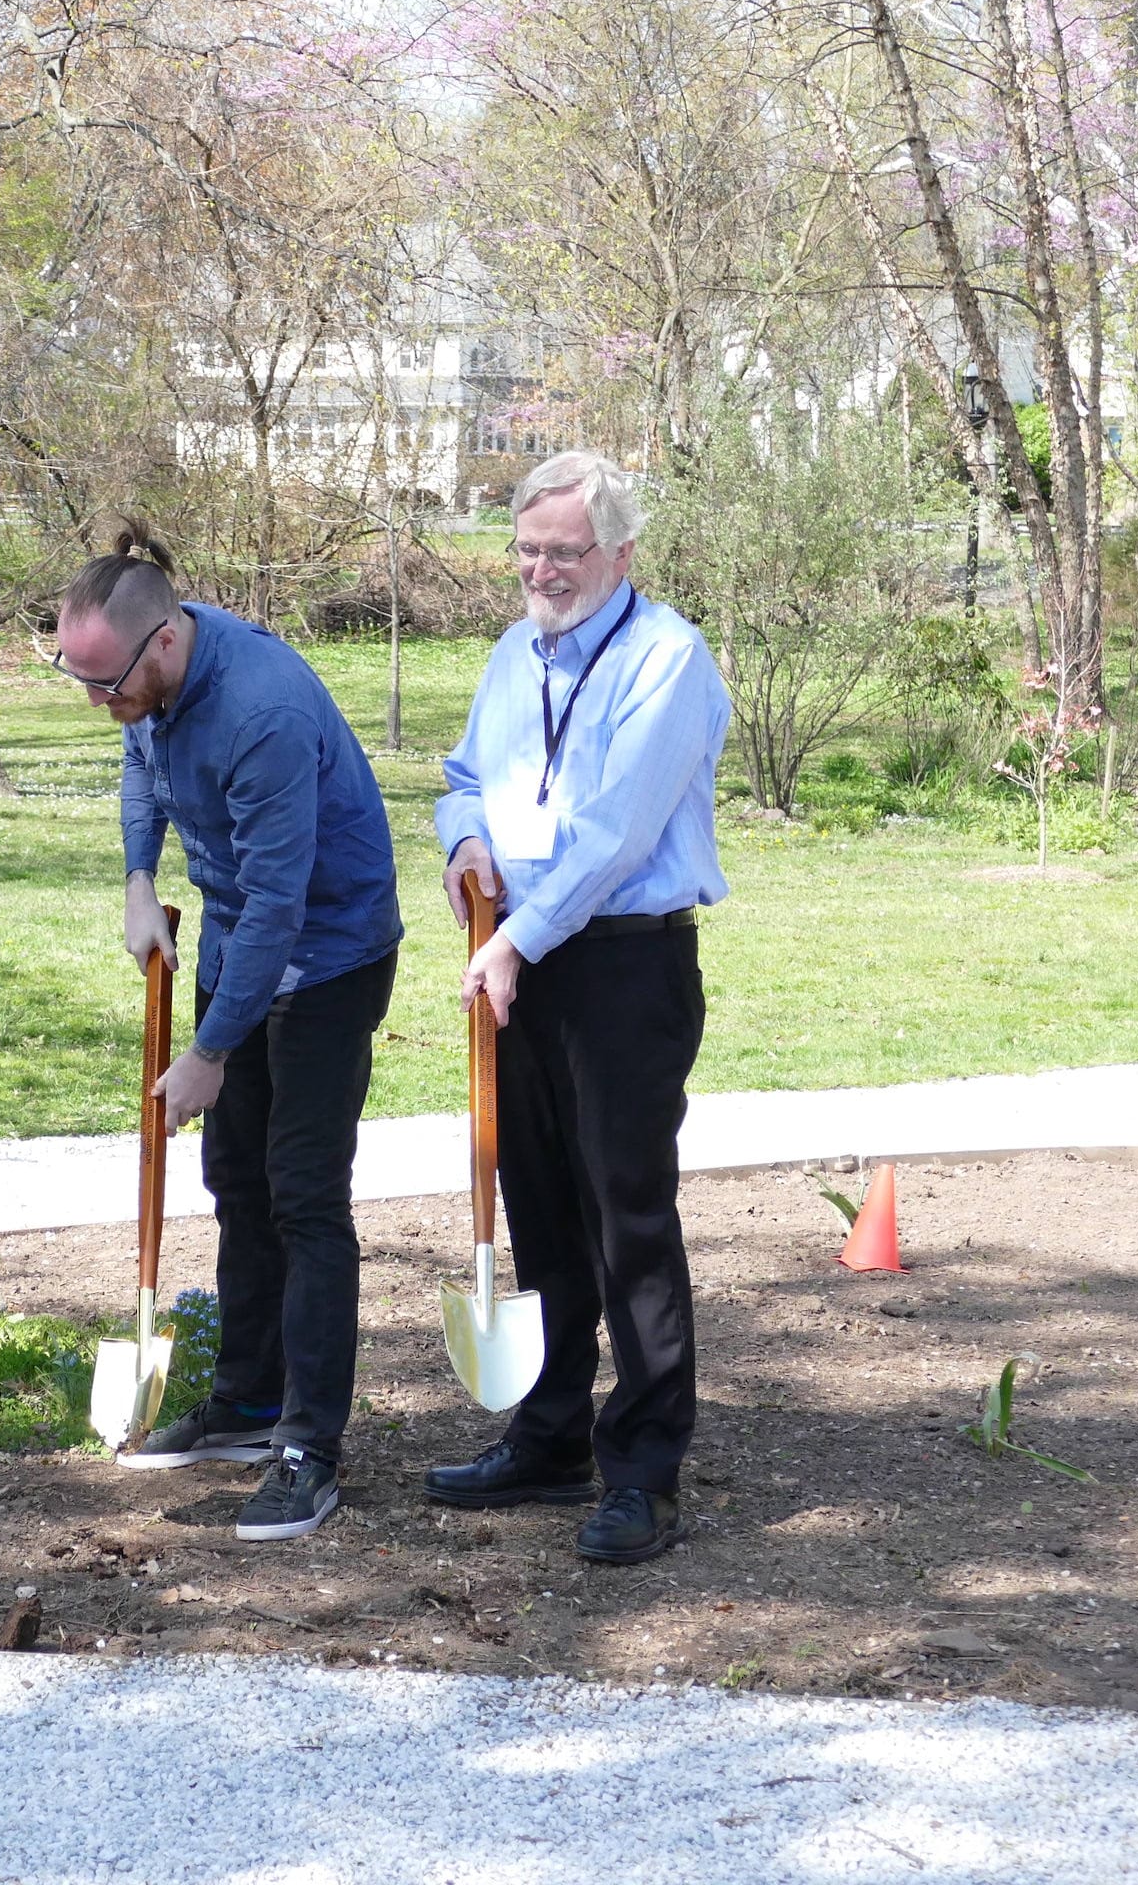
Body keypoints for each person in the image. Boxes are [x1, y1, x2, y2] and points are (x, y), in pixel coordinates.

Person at [49, 522, 401, 1543]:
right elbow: (138, 758)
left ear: (162, 643)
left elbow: (280, 908)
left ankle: (309, 1446)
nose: (99, 705)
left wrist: (207, 1053)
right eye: (80, 683)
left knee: (302, 1193)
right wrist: (139, 877)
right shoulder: (143, 683)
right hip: (238, 936)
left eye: (105, 682)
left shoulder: (263, 714)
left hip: (325, 953)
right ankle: (248, 1403)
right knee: (235, 1181)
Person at [422, 450, 729, 1564]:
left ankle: (644, 1471)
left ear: (619, 554)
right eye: (528, 549)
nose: (543, 570)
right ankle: (549, 1435)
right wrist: (462, 839)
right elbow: (464, 775)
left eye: (566, 550)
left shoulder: (666, 658)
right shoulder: (513, 653)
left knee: (626, 1218)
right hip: (521, 959)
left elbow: (614, 836)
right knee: (540, 1204)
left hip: (619, 966)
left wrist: (514, 941)